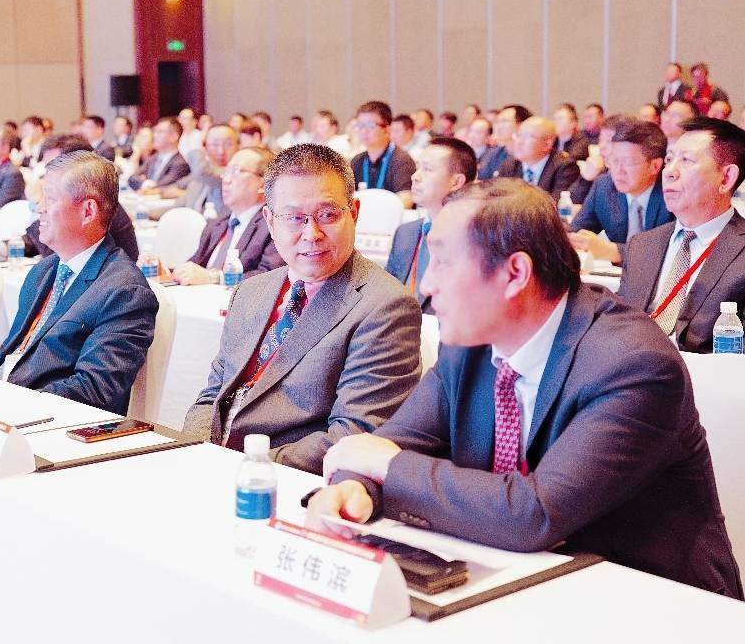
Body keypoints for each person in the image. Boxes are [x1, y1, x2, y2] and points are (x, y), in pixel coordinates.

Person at [306, 177, 741, 599]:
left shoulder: (633, 364)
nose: (426, 284)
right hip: (515, 578)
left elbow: (535, 515)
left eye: (443, 263)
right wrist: (357, 487)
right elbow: (391, 445)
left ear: (515, 273)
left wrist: (385, 467)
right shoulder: (469, 344)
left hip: (650, 598)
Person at [182, 144, 421, 474]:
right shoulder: (250, 292)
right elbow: (212, 395)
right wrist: (195, 453)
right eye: (295, 218)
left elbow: (352, 436)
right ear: (269, 220)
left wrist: (243, 469)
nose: (312, 234)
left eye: (327, 215)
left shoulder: (384, 307)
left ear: (353, 213)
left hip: (284, 479)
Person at [0, 151, 158, 413]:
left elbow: (95, 389)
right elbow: (13, 354)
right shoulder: (43, 272)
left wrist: (11, 403)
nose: (39, 208)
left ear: (88, 211)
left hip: (45, 421)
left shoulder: (125, 292)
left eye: (50, 198)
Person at [618, 117, 745, 353]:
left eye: (686, 160)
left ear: (726, 178)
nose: (669, 172)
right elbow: (618, 323)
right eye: (669, 160)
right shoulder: (642, 245)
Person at [0, 135, 139, 262]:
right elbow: (33, 242)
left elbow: (53, 255)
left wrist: (42, 202)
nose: (46, 175)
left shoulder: (95, 210)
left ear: (80, 166)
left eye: (53, 167)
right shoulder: (68, 202)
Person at [386, 138, 477, 310]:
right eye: (418, 167)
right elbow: (386, 293)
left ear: (456, 182)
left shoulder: (474, 238)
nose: (415, 176)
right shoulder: (406, 232)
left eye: (427, 169)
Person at [170, 147, 282, 285]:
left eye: (236, 171)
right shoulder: (218, 222)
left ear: (263, 184)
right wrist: (169, 272)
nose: (226, 180)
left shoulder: (273, 226)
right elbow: (194, 266)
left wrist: (215, 278)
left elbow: (270, 278)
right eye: (226, 171)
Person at [569, 120, 674, 264]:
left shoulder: (672, 192)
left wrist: (615, 252)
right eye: (613, 161)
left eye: (628, 162)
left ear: (655, 166)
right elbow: (576, 232)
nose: (618, 171)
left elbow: (673, 251)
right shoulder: (604, 187)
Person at [498, 116, 582, 200]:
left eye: (526, 136)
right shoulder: (510, 165)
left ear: (546, 145)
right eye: (518, 135)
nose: (519, 141)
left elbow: (556, 204)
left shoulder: (565, 167)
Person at [350, 101, 416, 205]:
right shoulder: (357, 161)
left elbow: (406, 199)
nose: (364, 131)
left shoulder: (401, 160)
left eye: (371, 125)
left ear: (387, 129)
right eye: (360, 126)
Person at [181, 123, 237, 213]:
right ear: (205, 146)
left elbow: (202, 172)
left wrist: (196, 146)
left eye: (228, 144)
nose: (221, 151)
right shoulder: (202, 172)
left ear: (239, 146)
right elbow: (177, 207)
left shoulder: (236, 174)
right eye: (215, 144)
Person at [129, 117, 190, 195]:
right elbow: (132, 178)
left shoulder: (180, 163)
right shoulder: (152, 158)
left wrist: (146, 185)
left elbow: (160, 187)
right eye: (155, 131)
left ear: (174, 136)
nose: (154, 135)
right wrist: (145, 183)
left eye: (160, 131)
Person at [480, 104, 530, 179]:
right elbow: (484, 180)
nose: (498, 127)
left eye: (504, 121)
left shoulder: (530, 154)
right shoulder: (495, 154)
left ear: (521, 124)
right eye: (497, 122)